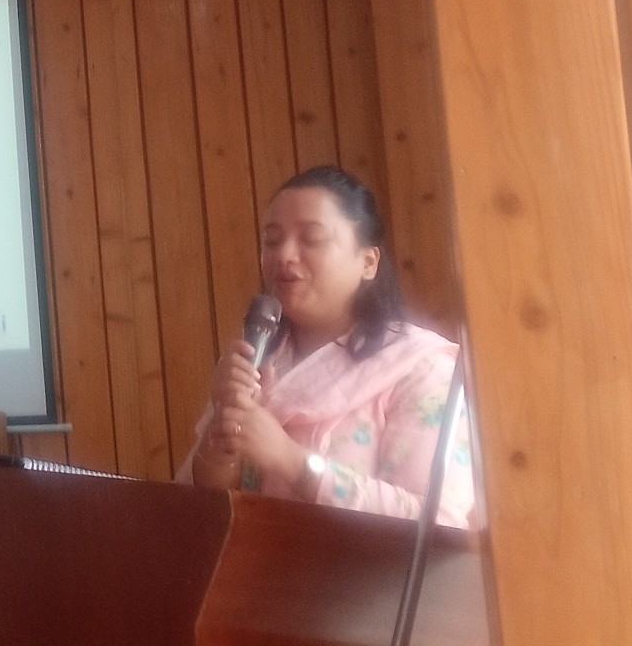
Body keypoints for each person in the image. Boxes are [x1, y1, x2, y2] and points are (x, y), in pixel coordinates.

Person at [175, 165, 477, 529]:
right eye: (272, 241)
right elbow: (195, 513)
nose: (284, 255)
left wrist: (292, 461)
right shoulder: (255, 361)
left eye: (312, 238)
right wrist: (219, 442)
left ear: (368, 262)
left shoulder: (420, 367)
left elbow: (439, 522)